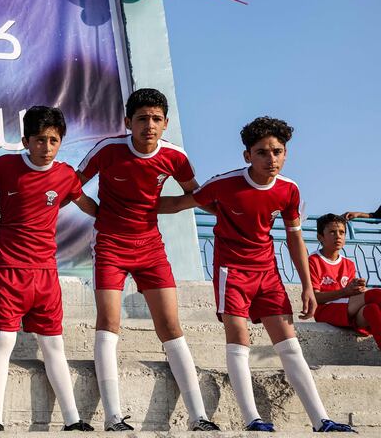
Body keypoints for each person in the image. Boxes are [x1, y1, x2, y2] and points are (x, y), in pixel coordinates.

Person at [158, 117, 355, 433]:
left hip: (268, 274)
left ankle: (322, 420)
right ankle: (252, 418)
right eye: (262, 152)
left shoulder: (289, 190)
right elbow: (181, 202)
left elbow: (294, 237)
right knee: (239, 340)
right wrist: (130, 206)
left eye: (277, 151)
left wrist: (306, 285)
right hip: (231, 272)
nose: (271, 158)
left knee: (290, 346)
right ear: (247, 156)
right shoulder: (223, 184)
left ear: (286, 154)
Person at [76, 88, 218, 432]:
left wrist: (168, 207)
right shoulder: (108, 150)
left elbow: (194, 195)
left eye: (156, 119)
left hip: (151, 247)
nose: (149, 125)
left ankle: (199, 416)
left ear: (165, 123)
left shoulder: (175, 157)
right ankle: (112, 417)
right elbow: (70, 185)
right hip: (110, 244)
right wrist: (96, 213)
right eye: (142, 119)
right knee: (109, 321)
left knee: (170, 326)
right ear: (128, 122)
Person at [0, 106, 97, 432]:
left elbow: (82, 201)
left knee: (54, 346)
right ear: (25, 140)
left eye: (53, 140)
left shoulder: (65, 175)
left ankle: (72, 419)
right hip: (9, 268)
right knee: (2, 341)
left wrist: (118, 218)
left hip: (46, 274)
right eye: (40, 140)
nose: (46, 147)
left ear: (61, 142)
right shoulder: (4, 166)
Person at [309, 213, 381, 350]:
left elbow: (350, 295)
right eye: (332, 232)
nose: (338, 236)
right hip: (326, 310)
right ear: (320, 237)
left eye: (342, 232)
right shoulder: (313, 261)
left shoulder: (349, 264)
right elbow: (314, 298)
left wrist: (357, 289)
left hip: (348, 310)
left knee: (372, 310)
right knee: (376, 294)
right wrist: (345, 291)